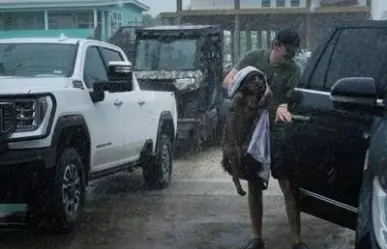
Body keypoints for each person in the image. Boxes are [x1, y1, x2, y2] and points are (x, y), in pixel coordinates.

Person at [222, 29, 308, 249]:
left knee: (289, 186)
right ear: (275, 45)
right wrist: (245, 88)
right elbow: (228, 82)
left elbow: (294, 100)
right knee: (254, 185)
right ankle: (257, 238)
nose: (291, 58)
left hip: (278, 134)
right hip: (251, 132)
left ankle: (297, 241)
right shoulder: (253, 57)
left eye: (293, 54)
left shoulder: (294, 71)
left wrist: (284, 105)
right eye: (287, 53)